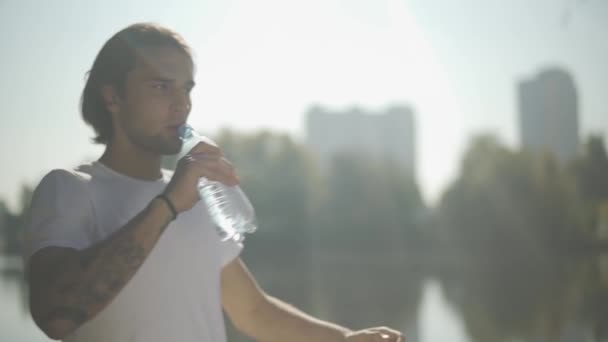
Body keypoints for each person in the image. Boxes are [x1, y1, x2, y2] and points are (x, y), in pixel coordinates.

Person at [23, 22, 405, 342]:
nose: (182, 103)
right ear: (113, 97)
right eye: (161, 86)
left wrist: (344, 339)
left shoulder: (197, 192)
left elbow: (253, 311)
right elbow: (55, 315)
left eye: (187, 88)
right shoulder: (71, 190)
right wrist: (168, 204)